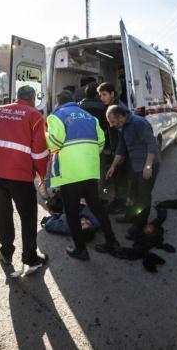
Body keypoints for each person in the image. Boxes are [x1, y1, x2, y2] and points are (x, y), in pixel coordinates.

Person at [46, 90, 121, 260]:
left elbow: (55, 142)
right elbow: (101, 142)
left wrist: (45, 136)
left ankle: (81, 249)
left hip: (71, 172)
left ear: (58, 102)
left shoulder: (56, 115)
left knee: (71, 213)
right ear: (74, 101)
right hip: (90, 170)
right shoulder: (89, 117)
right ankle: (112, 241)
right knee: (97, 208)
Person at [0, 85, 49, 271]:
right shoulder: (34, 116)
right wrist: (42, 175)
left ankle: (6, 253)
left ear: (17, 97)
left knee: (3, 212)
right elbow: (39, 153)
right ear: (33, 98)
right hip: (19, 174)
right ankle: (30, 257)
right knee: (27, 216)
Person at [105, 105, 160, 227]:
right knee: (132, 194)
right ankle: (130, 216)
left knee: (143, 196)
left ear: (120, 117)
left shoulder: (139, 123)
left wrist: (148, 167)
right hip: (136, 166)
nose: (112, 125)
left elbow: (152, 145)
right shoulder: (124, 127)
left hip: (148, 165)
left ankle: (141, 225)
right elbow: (121, 147)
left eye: (113, 122)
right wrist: (113, 166)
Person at [97, 81, 128, 213]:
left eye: (104, 94)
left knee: (121, 176)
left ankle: (121, 203)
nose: (101, 98)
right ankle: (118, 200)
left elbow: (123, 134)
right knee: (118, 176)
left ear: (112, 94)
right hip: (118, 147)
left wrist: (119, 154)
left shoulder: (117, 109)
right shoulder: (112, 106)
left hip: (122, 149)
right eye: (100, 95)